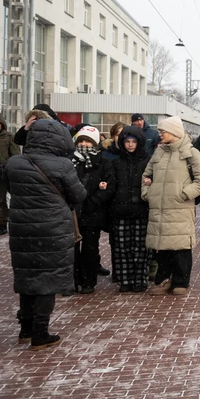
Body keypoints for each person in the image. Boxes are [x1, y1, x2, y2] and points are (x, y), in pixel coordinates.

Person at [4, 119, 87, 349]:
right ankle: (41, 333)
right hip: (53, 230)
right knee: (47, 281)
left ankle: (25, 330)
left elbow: (11, 189)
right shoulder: (62, 165)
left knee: (28, 277)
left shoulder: (14, 163)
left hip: (22, 229)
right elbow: (79, 195)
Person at [141, 116, 200, 296]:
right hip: (159, 208)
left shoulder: (191, 153)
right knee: (161, 247)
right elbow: (146, 175)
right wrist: (148, 193)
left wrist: (184, 194)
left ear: (174, 132)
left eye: (163, 131)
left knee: (180, 247)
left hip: (180, 208)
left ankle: (181, 281)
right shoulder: (159, 152)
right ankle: (162, 279)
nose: (160, 134)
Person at [108, 126, 152, 292]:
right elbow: (112, 186)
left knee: (141, 249)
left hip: (141, 210)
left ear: (139, 142)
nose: (130, 145)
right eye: (127, 141)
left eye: (134, 141)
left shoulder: (147, 161)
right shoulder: (116, 162)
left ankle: (140, 280)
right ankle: (125, 280)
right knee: (122, 248)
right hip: (120, 212)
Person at [71, 126, 113, 294]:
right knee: (72, 249)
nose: (85, 144)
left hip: (93, 212)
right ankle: (73, 281)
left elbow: (110, 186)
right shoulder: (70, 160)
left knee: (90, 248)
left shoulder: (103, 162)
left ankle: (88, 281)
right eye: (81, 141)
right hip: (73, 212)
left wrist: (93, 201)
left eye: (88, 141)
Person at [0, 113, 20, 235]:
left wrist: (9, 169)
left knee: (2, 200)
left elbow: (15, 156)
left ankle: (2, 223)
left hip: (3, 175)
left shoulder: (9, 137)